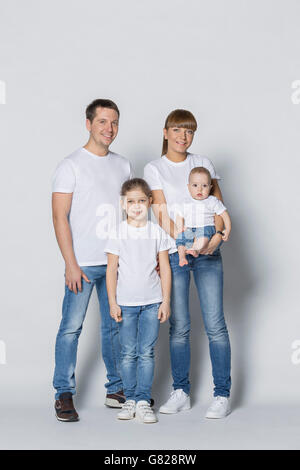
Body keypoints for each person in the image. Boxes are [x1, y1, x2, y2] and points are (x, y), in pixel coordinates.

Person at [144, 109, 232, 419]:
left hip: (208, 252)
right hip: (175, 253)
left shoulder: (203, 163)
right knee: (179, 326)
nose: (184, 136)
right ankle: (180, 391)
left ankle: (221, 394)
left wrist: (216, 239)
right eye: (178, 130)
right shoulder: (154, 168)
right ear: (165, 132)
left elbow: (220, 209)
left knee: (215, 325)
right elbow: (160, 213)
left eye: (189, 131)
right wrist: (183, 241)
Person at [52, 99, 133, 422]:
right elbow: (59, 216)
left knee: (115, 326)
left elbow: (131, 213)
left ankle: (116, 389)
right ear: (88, 124)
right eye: (102, 122)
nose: (108, 129)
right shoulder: (70, 165)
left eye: (113, 122)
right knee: (71, 328)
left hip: (116, 261)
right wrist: (70, 263)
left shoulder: (124, 165)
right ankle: (63, 393)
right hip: (83, 263)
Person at [105, 178, 172, 423]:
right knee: (128, 353)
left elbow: (165, 268)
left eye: (141, 201)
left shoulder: (157, 232)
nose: (136, 206)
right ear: (123, 204)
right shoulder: (117, 232)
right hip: (125, 304)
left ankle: (144, 399)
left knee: (146, 352)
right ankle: (130, 398)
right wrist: (112, 302)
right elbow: (111, 270)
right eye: (131, 201)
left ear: (150, 202)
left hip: (152, 301)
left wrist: (165, 301)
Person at [175, 166, 231, 266]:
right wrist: (180, 228)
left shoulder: (212, 201)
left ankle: (196, 250)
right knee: (181, 240)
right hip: (189, 228)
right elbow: (179, 215)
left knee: (203, 237)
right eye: (195, 185)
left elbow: (224, 214)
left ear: (210, 187)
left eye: (204, 186)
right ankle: (182, 257)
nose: (199, 189)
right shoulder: (185, 202)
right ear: (188, 187)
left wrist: (227, 229)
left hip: (206, 227)